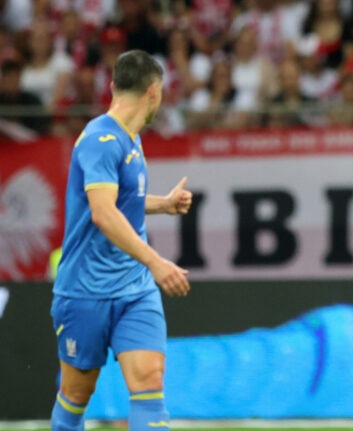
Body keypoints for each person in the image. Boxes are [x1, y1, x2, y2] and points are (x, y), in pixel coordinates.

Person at [50, 50, 192, 431]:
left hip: (134, 291)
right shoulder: (100, 139)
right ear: (154, 92)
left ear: (113, 86)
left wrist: (162, 204)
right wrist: (156, 261)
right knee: (77, 394)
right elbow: (103, 213)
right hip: (84, 292)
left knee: (149, 382)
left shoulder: (130, 139)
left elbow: (119, 202)